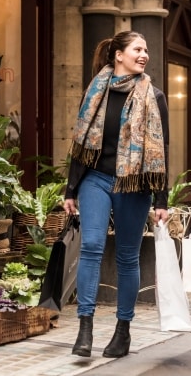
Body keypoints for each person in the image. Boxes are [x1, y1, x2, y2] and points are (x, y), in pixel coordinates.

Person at [62, 30, 170, 358]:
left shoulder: (155, 97)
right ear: (118, 55)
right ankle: (85, 328)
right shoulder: (96, 92)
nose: (144, 55)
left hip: (134, 184)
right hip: (95, 179)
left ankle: (123, 331)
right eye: (138, 49)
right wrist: (71, 189)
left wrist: (162, 200)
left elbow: (161, 150)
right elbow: (80, 142)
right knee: (92, 246)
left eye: (146, 50)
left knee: (126, 256)